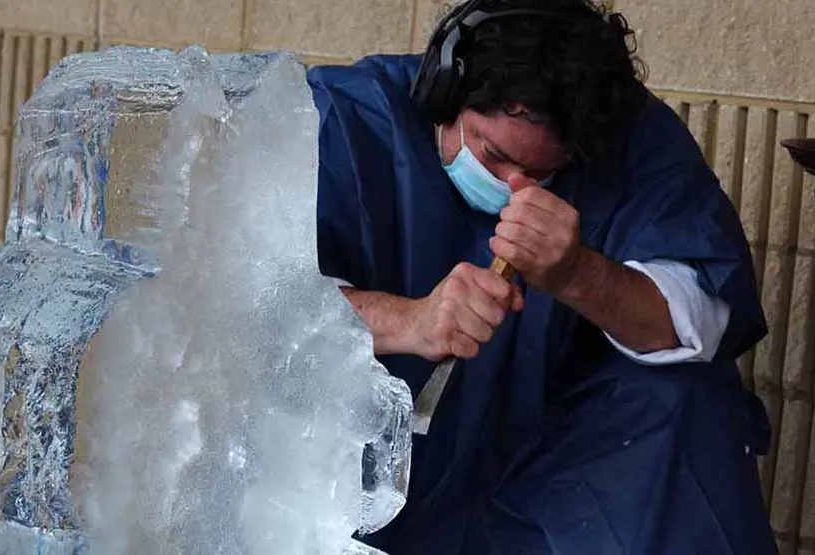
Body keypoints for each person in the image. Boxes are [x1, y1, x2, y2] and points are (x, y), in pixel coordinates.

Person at [307, 0, 778, 553]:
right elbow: (248, 301)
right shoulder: (343, 118)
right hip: (361, 467)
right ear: (441, 94)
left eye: (540, 173)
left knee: (687, 389)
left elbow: (702, 316)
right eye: (494, 154)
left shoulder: (631, 137)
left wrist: (580, 275)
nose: (516, 191)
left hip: (550, 470)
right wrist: (412, 320)